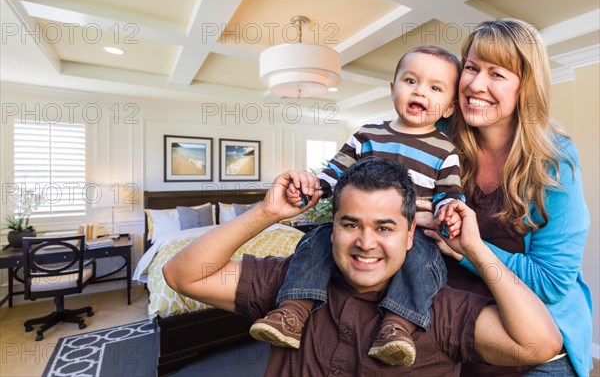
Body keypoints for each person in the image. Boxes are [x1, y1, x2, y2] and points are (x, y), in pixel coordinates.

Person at [162, 157, 563, 376]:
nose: (365, 243)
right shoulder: (292, 285)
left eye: (384, 228)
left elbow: (540, 344)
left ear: (410, 235)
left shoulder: (438, 310)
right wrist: (267, 213)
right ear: (330, 227)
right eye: (350, 224)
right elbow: (182, 274)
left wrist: (475, 249)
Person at [250, 45, 465, 367]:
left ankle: (397, 327)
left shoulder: (445, 150)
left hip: (412, 232)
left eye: (435, 88)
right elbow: (334, 174)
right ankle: (292, 311)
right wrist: (312, 188)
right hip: (359, 223)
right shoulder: (367, 135)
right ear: (393, 89)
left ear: (449, 107)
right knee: (316, 240)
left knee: (424, 259)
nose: (420, 91)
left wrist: (448, 210)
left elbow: (450, 193)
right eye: (411, 81)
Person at [427, 19, 592, 376]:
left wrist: (466, 248)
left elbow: (549, 281)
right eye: (471, 68)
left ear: (525, 87)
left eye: (496, 74)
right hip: (455, 328)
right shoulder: (436, 138)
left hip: (536, 341)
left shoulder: (554, 160)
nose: (475, 84)